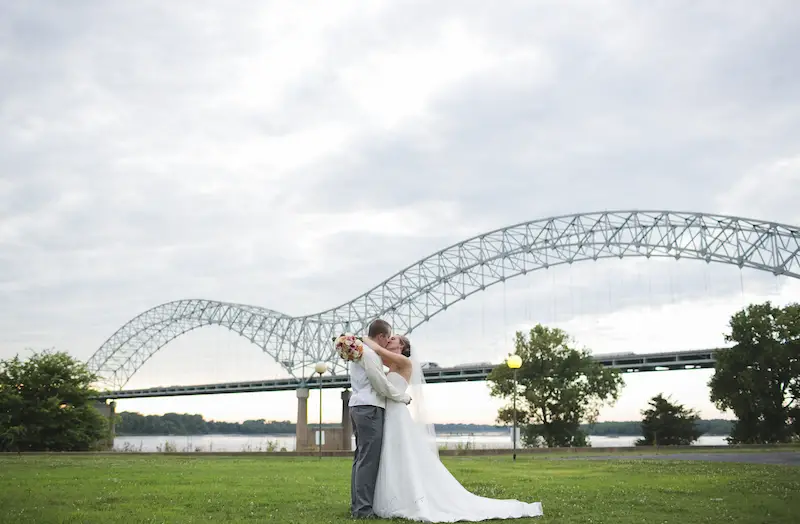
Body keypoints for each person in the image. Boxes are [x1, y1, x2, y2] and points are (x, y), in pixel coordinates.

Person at [361, 334, 544, 522]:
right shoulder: (390, 364)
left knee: (402, 454)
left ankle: (407, 499)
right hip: (388, 412)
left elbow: (377, 351)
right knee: (391, 455)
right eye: (389, 337)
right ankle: (391, 497)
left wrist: (360, 339)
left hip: (398, 413)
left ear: (402, 346)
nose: (390, 339)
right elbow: (375, 366)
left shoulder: (404, 362)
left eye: (394, 338)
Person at [349, 319, 412, 519]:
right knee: (368, 460)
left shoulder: (367, 352)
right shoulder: (369, 353)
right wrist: (402, 397)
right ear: (382, 337)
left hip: (362, 407)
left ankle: (359, 506)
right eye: (389, 337)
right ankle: (363, 510)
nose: (389, 342)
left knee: (361, 458)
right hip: (369, 408)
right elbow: (379, 384)